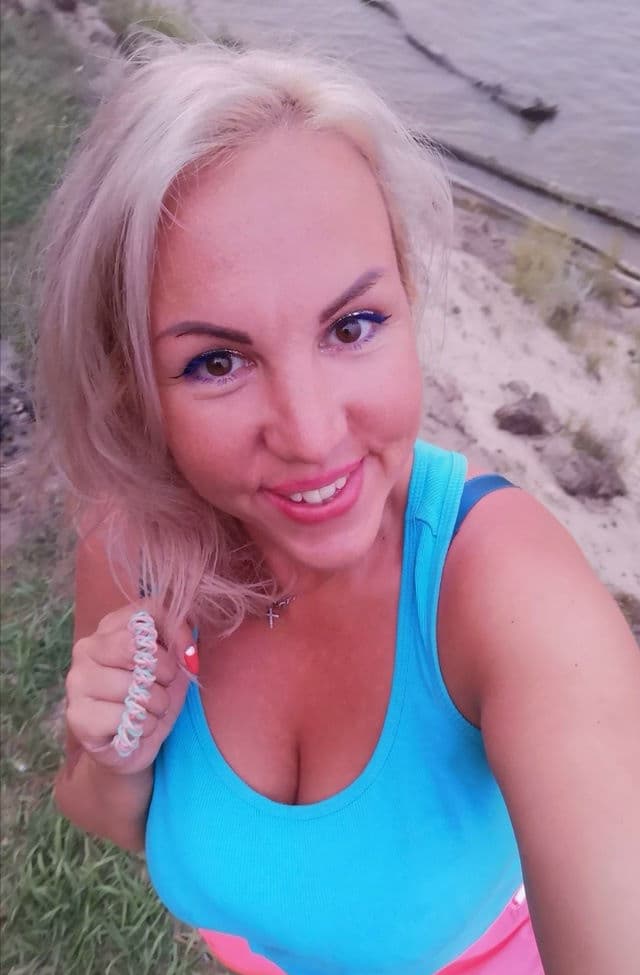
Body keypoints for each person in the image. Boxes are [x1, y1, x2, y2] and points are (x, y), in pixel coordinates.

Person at [37, 37, 639, 975]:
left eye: (352, 325)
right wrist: (118, 754)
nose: (313, 435)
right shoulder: (134, 540)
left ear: (408, 298)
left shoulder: (512, 597)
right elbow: (96, 808)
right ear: (133, 385)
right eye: (217, 361)